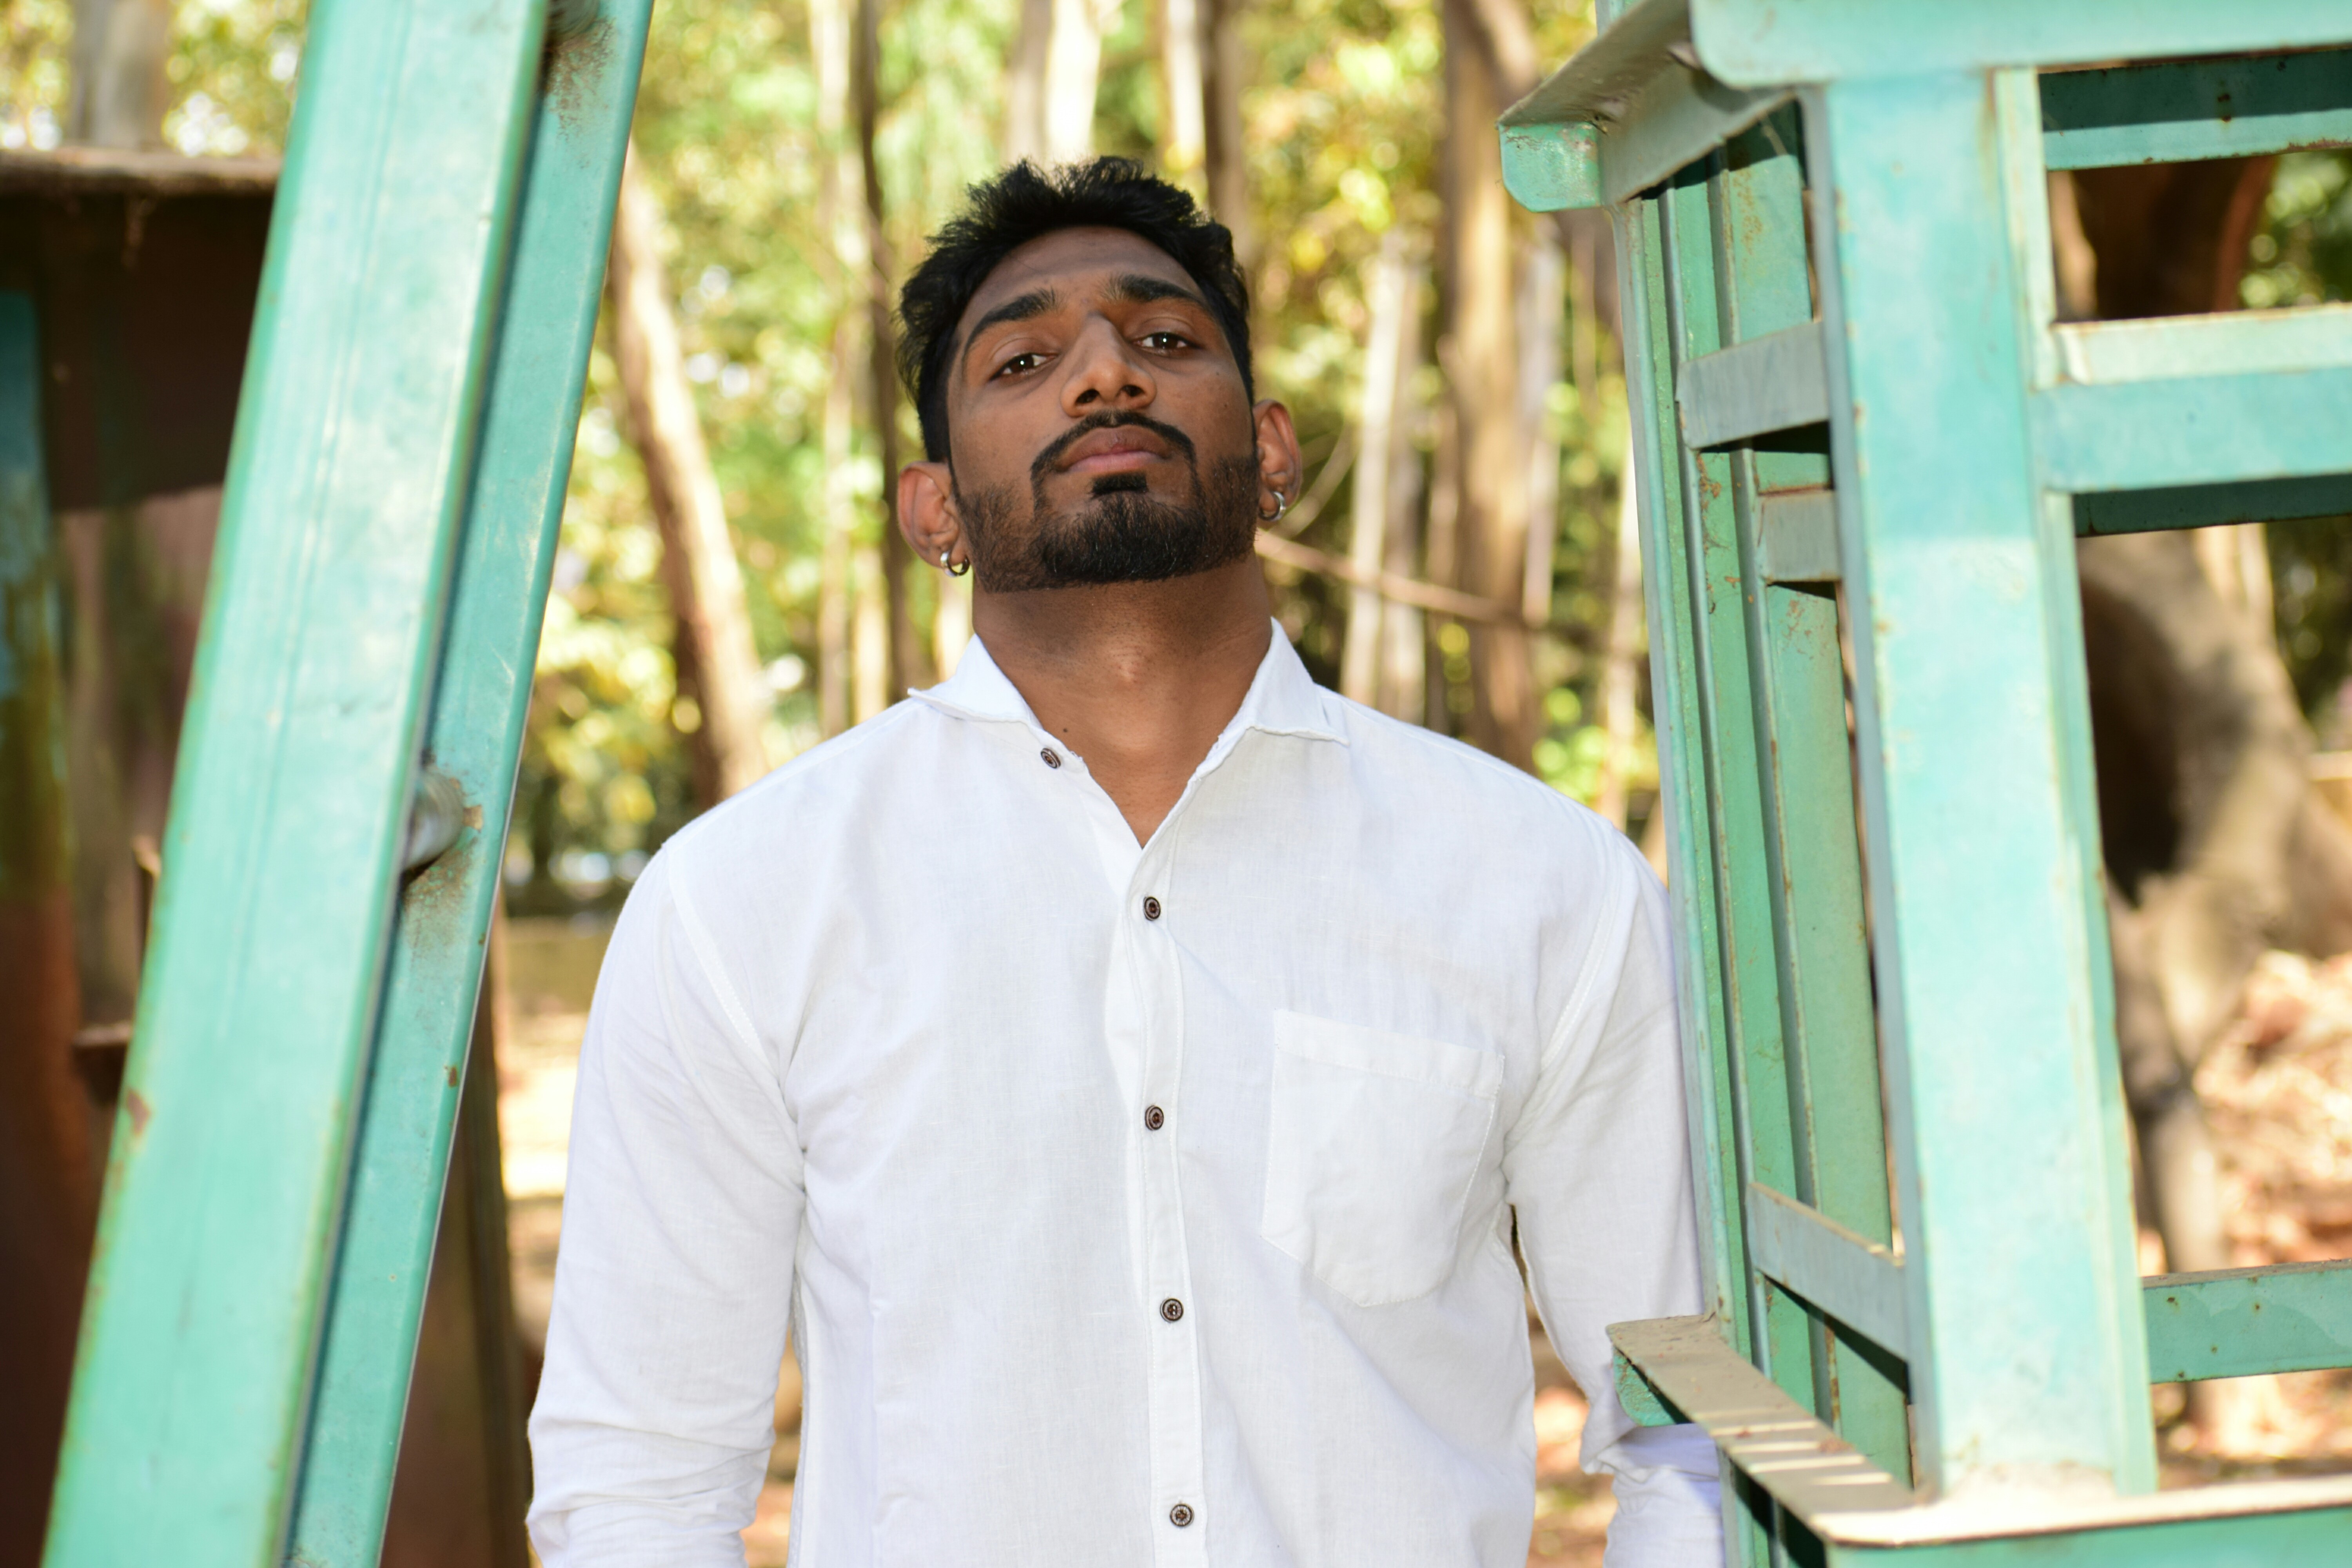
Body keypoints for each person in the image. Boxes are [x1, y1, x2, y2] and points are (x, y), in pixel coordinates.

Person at [526, 157, 1723, 1567]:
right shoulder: (744, 905)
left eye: (1163, 337)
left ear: (1270, 452)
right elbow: (639, 1481)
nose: (1106, 374)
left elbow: (1688, 1429)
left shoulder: (1539, 884)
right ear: (934, 511)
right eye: (1023, 360)